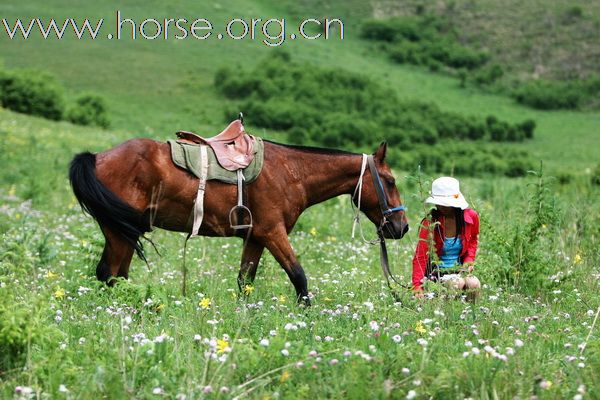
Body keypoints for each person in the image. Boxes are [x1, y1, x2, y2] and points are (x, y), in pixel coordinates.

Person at [412, 177, 480, 298]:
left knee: (474, 283)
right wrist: (417, 286)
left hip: (460, 270)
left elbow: (473, 240)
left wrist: (468, 261)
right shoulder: (430, 223)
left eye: (445, 203)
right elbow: (421, 256)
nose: (441, 207)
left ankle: (470, 313)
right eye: (439, 202)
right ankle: (448, 314)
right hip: (437, 274)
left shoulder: (471, 217)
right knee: (457, 283)